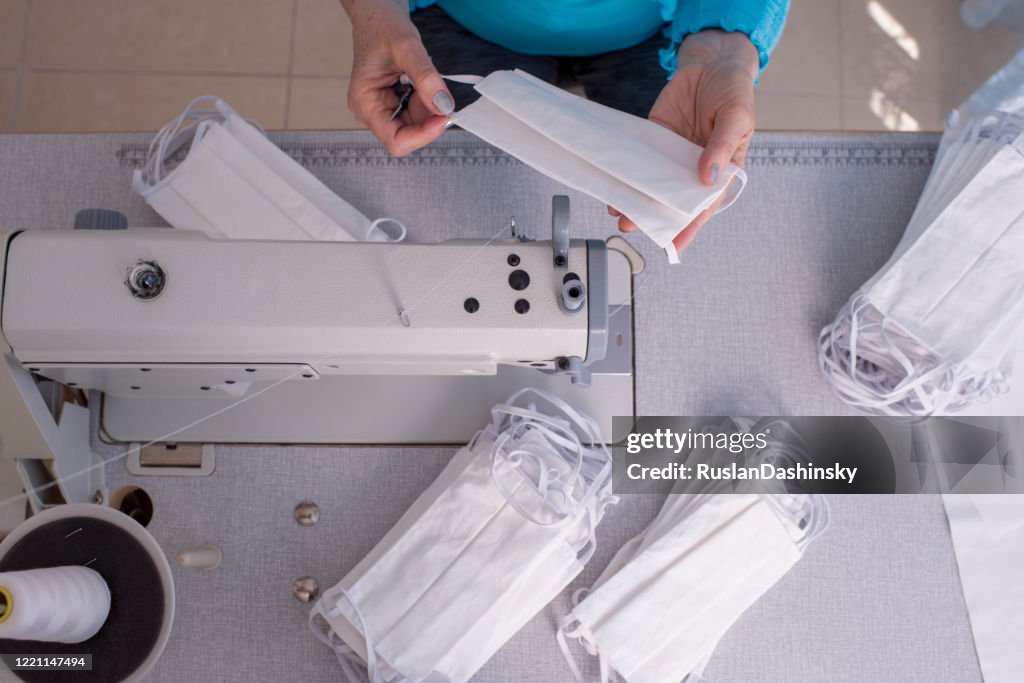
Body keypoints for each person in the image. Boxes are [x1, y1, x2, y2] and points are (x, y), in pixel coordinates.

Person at [339, 0, 788, 252]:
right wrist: (375, 13)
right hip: (469, 22)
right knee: (462, 181)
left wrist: (725, 46)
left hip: (668, 30)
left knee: (680, 185)